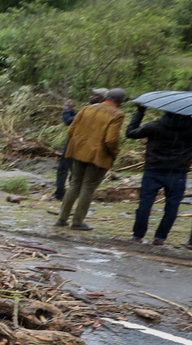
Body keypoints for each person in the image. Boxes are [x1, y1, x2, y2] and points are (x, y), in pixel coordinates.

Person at [56, 88, 126, 230]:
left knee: (75, 184)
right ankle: (77, 222)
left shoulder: (86, 109)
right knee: (88, 187)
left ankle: (62, 219)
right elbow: (110, 140)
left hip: (78, 152)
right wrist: (115, 152)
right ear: (120, 102)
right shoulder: (117, 114)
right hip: (98, 157)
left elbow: (71, 131)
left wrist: (78, 146)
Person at [125, 97, 192, 244]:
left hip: (153, 170)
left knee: (145, 203)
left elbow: (130, 133)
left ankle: (138, 235)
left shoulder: (155, 126)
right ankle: (160, 238)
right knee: (172, 206)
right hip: (178, 172)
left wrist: (140, 113)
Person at [55, 92, 101, 200]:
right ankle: (71, 194)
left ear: (101, 98)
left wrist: (67, 110)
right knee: (74, 169)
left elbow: (68, 121)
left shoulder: (89, 111)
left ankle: (62, 194)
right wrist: (72, 112)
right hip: (87, 144)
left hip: (75, 143)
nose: (91, 96)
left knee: (65, 168)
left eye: (95, 95)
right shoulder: (101, 112)